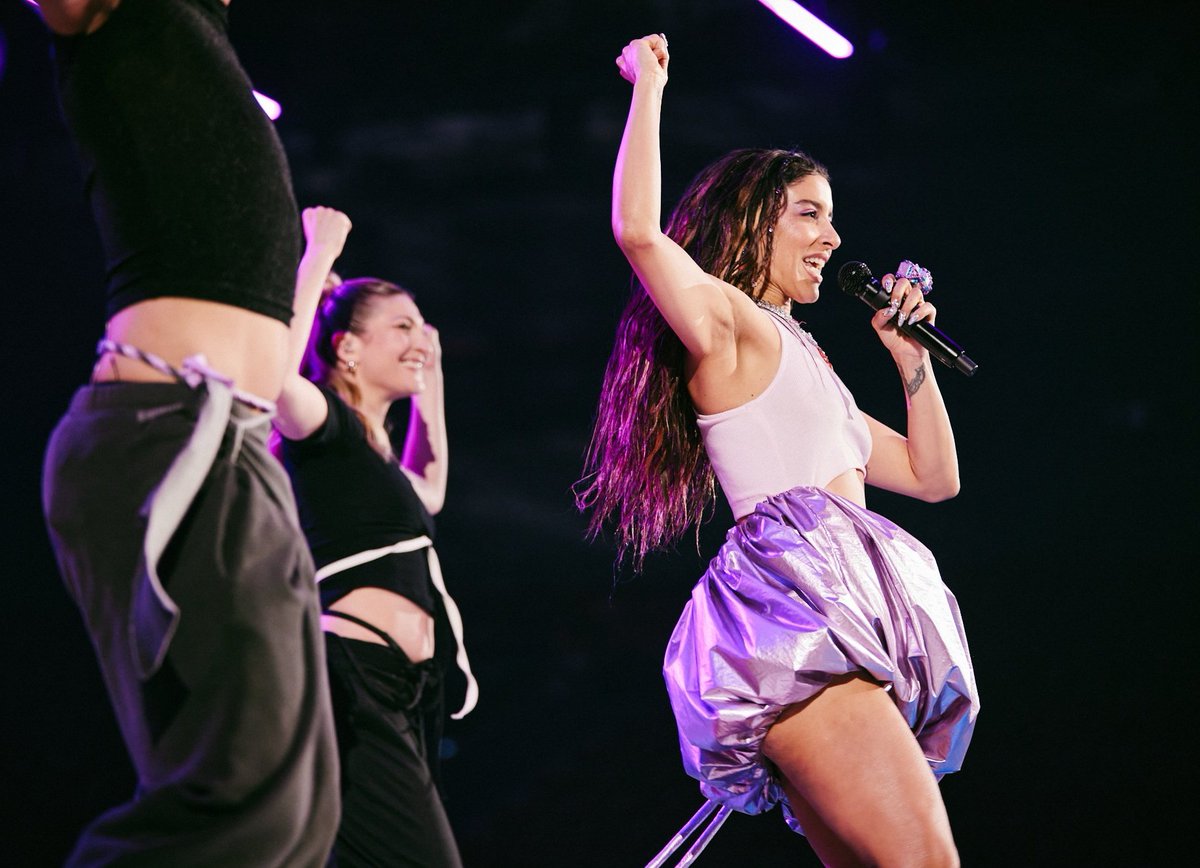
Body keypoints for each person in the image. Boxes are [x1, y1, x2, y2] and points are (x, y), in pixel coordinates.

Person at [577, 35, 980, 866]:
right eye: (810, 212)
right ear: (752, 219)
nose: (833, 237)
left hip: (836, 622)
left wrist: (910, 364)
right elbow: (638, 231)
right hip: (797, 621)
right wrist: (647, 85)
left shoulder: (811, 361)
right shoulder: (734, 328)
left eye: (832, 216)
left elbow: (934, 479)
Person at [37, 0, 339, 865]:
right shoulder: (122, 19)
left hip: (233, 444)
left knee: (301, 818)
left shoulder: (206, 31)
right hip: (164, 431)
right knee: (243, 796)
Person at [273, 217, 479, 867]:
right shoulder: (322, 427)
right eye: (401, 327)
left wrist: (433, 373)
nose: (419, 339)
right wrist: (319, 255)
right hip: (353, 683)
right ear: (348, 349)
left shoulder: (376, 454)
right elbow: (272, 378)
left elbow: (433, 491)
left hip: (405, 687)